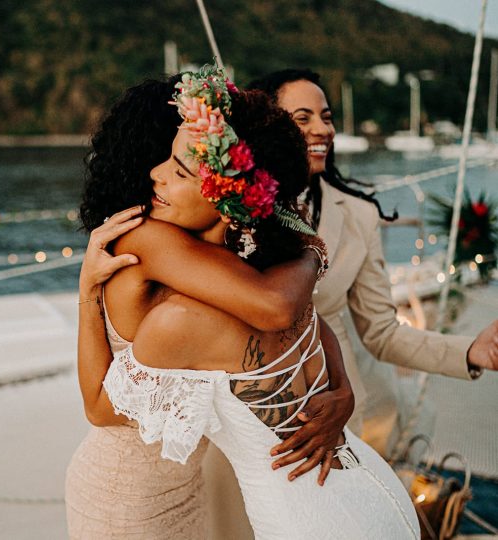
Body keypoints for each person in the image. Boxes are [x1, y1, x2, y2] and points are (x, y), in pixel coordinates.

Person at [90, 67, 420, 539]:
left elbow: (100, 408)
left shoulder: (194, 308)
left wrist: (344, 388)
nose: (156, 174)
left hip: (304, 520)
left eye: (181, 168)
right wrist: (310, 253)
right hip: (371, 488)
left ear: (229, 198)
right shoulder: (264, 267)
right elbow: (295, 313)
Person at [245, 69, 498, 447]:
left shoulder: (359, 215)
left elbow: (381, 333)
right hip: (245, 404)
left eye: (326, 117)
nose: (322, 130)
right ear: (268, 126)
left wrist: (470, 351)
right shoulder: (231, 205)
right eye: (303, 118)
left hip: (334, 404)